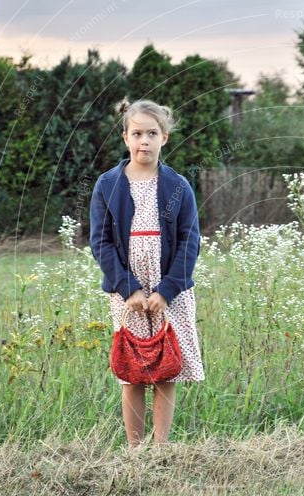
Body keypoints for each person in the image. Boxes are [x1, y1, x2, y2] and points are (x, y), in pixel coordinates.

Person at [89, 98, 205, 447]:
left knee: (167, 365)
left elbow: (189, 240)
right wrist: (130, 289)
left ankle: (161, 446)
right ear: (125, 137)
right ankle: (135, 448)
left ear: (164, 138)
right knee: (134, 369)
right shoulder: (107, 184)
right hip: (128, 290)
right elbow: (101, 241)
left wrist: (167, 290)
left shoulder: (178, 186)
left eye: (152, 133)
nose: (144, 141)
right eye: (137, 133)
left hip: (171, 288)